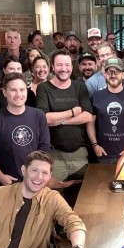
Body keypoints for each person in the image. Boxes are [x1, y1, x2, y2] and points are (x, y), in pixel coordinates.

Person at [0, 72, 51, 185]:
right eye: (13, 90)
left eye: (22, 90)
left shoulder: (38, 115)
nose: (18, 94)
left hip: (35, 180)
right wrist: (0, 176)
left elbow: (44, 148)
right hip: (8, 181)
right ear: (4, 92)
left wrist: (39, 175)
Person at [36, 50, 93, 183]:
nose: (63, 69)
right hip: (55, 155)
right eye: (59, 65)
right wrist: (72, 112)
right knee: (54, 192)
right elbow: (44, 119)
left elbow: (88, 116)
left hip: (80, 154)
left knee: (83, 192)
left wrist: (61, 121)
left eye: (67, 65)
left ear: (72, 67)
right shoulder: (43, 88)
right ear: (53, 67)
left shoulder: (80, 86)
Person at [87, 58, 124, 163]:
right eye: (110, 71)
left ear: (123, 75)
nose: (113, 75)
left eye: (117, 71)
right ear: (105, 75)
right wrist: (95, 145)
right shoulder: (96, 97)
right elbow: (90, 123)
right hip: (103, 155)